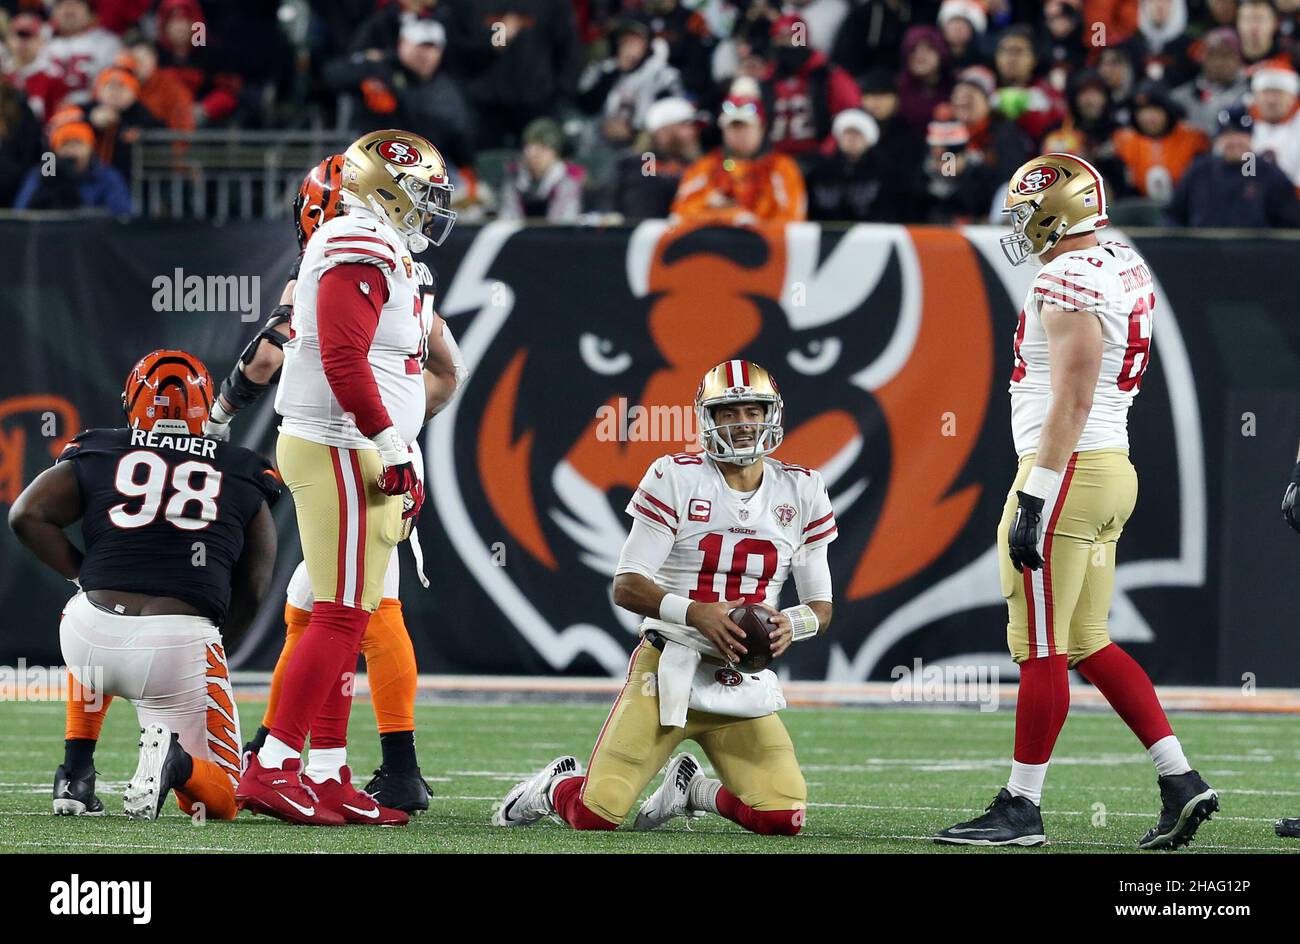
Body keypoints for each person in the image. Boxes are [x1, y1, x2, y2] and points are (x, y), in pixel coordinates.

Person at [935, 153, 1218, 850]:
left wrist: (1035, 493)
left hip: (1067, 469)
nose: (1017, 225)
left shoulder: (1065, 276)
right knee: (1087, 642)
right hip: (1106, 465)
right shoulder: (1118, 258)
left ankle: (1021, 809)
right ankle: (1180, 778)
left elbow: (1074, 395)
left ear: (1055, 212)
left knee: (1040, 649)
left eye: (1025, 212)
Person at [205, 156, 465, 813]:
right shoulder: (359, 239)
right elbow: (344, 356)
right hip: (347, 444)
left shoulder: (384, 250)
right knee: (346, 613)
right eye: (421, 193)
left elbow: (412, 364)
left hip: (362, 443)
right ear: (382, 190)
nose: (431, 208)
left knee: (331, 608)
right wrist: (391, 440)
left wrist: (397, 435)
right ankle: (274, 763)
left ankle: (323, 771)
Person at [493, 360, 835, 835]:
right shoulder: (677, 476)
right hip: (668, 667)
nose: (741, 424)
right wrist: (696, 613)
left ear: (771, 414)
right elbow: (627, 584)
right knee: (597, 815)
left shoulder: (801, 488)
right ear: (707, 419)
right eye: (728, 413)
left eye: (751, 411)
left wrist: (790, 625)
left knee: (783, 818)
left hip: (736, 680)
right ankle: (554, 787)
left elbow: (820, 605)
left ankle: (692, 790)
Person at [7, 349, 279, 821]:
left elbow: (26, 515)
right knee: (220, 798)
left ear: (132, 403)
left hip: (87, 638)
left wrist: (82, 575)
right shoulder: (241, 469)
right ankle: (174, 763)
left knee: (86, 607)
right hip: (175, 649)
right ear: (205, 406)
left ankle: (75, 772)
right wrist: (219, 645)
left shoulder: (101, 447)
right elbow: (254, 588)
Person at [324, 18, 475, 170]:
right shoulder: (381, 69)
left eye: (433, 48)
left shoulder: (447, 86)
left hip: (430, 163)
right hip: (375, 159)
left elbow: (460, 135)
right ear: (403, 43)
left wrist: (466, 166)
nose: (427, 54)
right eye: (421, 47)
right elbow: (332, 75)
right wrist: (369, 81)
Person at [670, 93, 807, 225]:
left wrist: (751, 223)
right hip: (714, 245)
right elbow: (679, 213)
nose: (738, 134)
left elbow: (793, 219)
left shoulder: (781, 167)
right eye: (732, 127)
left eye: (744, 127)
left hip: (764, 244)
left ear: (761, 128)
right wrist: (714, 207)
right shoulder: (707, 166)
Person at [1165, 106, 1300, 226]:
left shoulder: (1269, 174)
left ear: (1251, 138)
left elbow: (1290, 224)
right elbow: (1174, 216)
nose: (1235, 141)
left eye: (1241, 134)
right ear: (1218, 139)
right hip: (1205, 251)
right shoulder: (1199, 171)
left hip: (1255, 252)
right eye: (1228, 134)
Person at [763, 13, 861, 157]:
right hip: (774, 160)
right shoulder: (767, 79)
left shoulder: (827, 74)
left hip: (818, 159)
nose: (787, 45)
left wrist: (826, 151)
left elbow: (850, 114)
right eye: (781, 40)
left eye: (792, 39)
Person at [577, 18, 684, 147]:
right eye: (625, 41)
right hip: (600, 145)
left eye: (635, 42)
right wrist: (614, 74)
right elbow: (585, 107)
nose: (629, 47)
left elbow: (670, 115)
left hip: (645, 147)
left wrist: (633, 132)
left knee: (648, 163)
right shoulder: (603, 70)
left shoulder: (662, 74)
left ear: (647, 46)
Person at [14, 108, 131, 214]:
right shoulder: (41, 174)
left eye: (78, 144)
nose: (72, 151)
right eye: (65, 145)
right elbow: (22, 213)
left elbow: (121, 215)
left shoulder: (106, 176)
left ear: (90, 148)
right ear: (55, 150)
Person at [1111, 80, 1208, 201]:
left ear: (1168, 111)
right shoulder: (1124, 141)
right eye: (1142, 111)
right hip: (1139, 209)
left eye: (1155, 110)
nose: (1148, 117)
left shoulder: (1193, 139)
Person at [806, 108, 907, 221]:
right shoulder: (819, 171)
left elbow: (889, 210)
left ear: (868, 139)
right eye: (847, 133)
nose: (851, 138)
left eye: (858, 134)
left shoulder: (885, 172)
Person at [609, 96, 701, 219]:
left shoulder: (695, 163)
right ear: (661, 133)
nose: (692, 132)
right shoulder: (647, 160)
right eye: (683, 126)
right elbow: (645, 205)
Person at [497, 117, 586, 222]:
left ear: (555, 153)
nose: (533, 154)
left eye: (542, 148)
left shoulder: (567, 180)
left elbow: (562, 224)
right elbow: (507, 218)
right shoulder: (515, 177)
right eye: (529, 147)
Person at [1169, 27, 1249, 137]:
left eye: (1226, 56)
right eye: (1213, 55)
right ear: (1202, 58)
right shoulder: (1180, 99)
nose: (1219, 62)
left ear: (1239, 59)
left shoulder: (1251, 97)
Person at [1249, 66, 1300, 190]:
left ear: (1293, 98)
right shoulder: (1243, 124)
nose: (1272, 100)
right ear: (1255, 96)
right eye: (1266, 92)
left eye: (1279, 93)